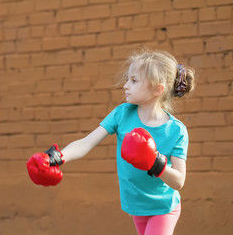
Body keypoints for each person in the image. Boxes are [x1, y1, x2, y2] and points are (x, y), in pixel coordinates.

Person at [26, 49, 195, 235]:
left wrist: (155, 162)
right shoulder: (122, 114)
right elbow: (86, 143)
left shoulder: (176, 130)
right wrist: (56, 157)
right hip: (136, 206)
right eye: (128, 79)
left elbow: (179, 181)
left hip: (164, 207)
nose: (125, 86)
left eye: (134, 80)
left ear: (157, 89)